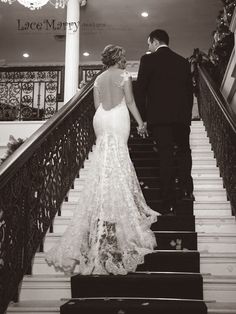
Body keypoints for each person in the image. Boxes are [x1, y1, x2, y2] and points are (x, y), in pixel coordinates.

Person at [45, 45, 159, 275]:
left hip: (102, 119)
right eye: (123, 56)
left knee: (105, 158)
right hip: (117, 117)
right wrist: (140, 123)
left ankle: (105, 200)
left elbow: (97, 107)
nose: (125, 59)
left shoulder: (97, 79)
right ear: (117, 58)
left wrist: (106, 116)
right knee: (119, 156)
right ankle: (118, 203)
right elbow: (130, 102)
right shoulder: (124, 76)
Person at [136, 29, 194, 215]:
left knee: (165, 156)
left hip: (159, 119)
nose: (148, 47)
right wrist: (187, 117)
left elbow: (141, 90)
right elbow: (189, 92)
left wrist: (143, 118)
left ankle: (169, 201)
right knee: (184, 152)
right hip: (181, 118)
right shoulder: (183, 61)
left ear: (154, 41)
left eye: (148, 44)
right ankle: (186, 190)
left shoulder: (148, 60)